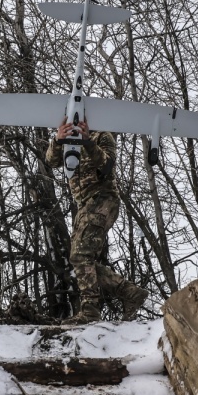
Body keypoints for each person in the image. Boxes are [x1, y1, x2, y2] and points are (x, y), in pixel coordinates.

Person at [45, 115, 148, 324]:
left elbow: (107, 164)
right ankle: (130, 292)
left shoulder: (102, 135)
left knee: (81, 255)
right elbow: (52, 161)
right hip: (85, 204)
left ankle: (91, 311)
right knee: (81, 259)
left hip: (103, 198)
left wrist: (88, 141)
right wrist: (57, 140)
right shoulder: (68, 139)